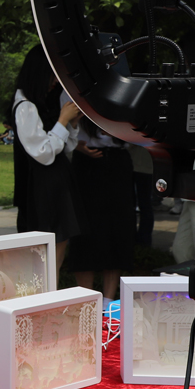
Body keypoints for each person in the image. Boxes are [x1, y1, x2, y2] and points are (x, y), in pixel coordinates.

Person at [12, 46, 83, 268]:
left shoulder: (44, 100)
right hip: (41, 189)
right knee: (44, 258)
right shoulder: (25, 106)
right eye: (52, 74)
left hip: (56, 184)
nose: (56, 81)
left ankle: (53, 288)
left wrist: (71, 124)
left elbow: (65, 147)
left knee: (58, 251)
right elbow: (43, 152)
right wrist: (62, 121)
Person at [67, 119, 134, 300]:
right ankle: (86, 299)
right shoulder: (74, 98)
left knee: (117, 230)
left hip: (117, 158)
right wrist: (75, 144)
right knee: (84, 230)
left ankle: (108, 301)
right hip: (85, 160)